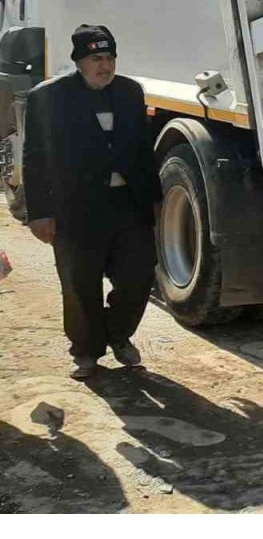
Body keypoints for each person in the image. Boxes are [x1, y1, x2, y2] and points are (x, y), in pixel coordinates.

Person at [22, 25, 162, 380]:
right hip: (76, 208)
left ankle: (119, 334)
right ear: (79, 61)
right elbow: (35, 158)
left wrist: (154, 199)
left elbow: (144, 151)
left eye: (110, 57)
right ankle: (85, 351)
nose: (105, 66)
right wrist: (39, 212)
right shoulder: (48, 98)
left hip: (128, 205)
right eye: (96, 58)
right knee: (80, 285)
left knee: (138, 276)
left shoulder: (130, 92)